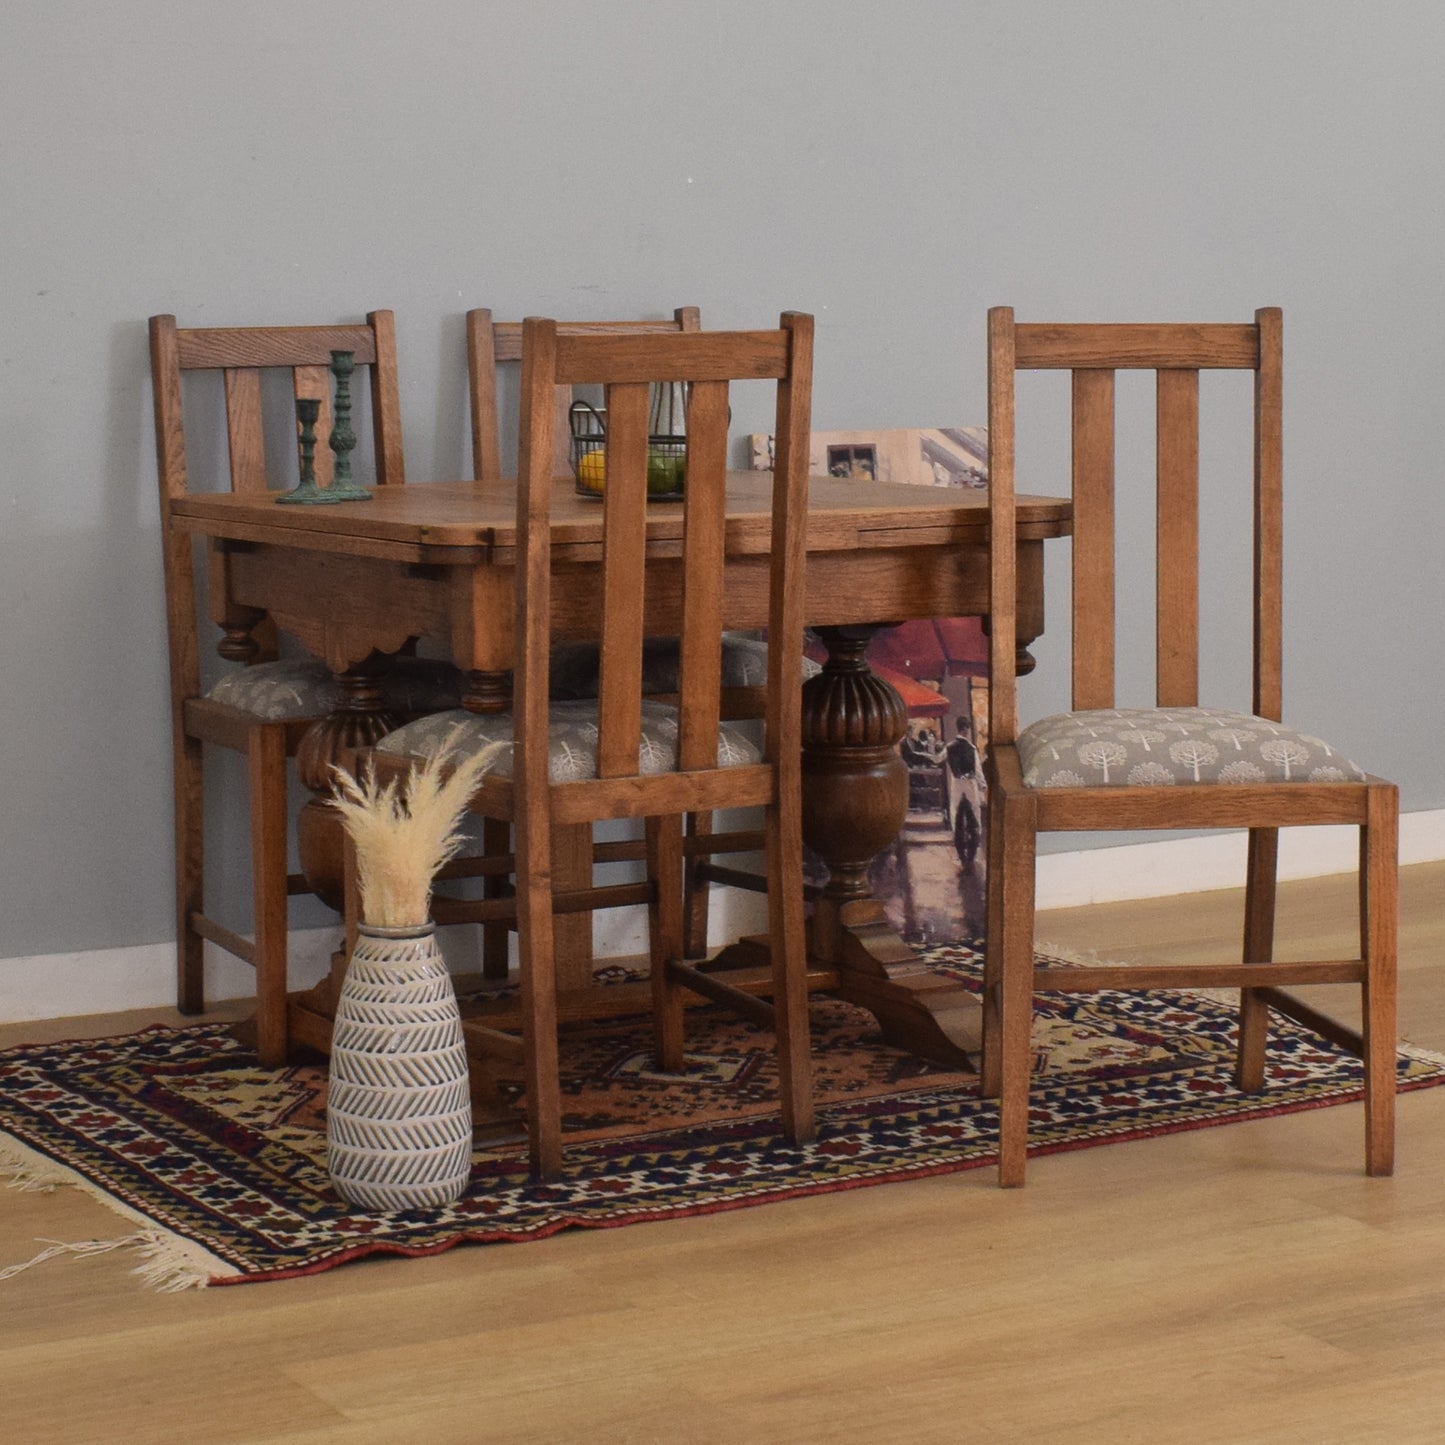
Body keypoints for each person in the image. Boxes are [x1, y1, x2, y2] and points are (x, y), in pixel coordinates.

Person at [944, 717, 983, 872]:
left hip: (957, 786)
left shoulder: (949, 747)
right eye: (967, 728)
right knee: (974, 818)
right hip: (970, 786)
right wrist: (983, 785)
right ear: (966, 729)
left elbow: (940, 759)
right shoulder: (972, 748)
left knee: (957, 819)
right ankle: (971, 857)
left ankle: (961, 857)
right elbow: (978, 771)